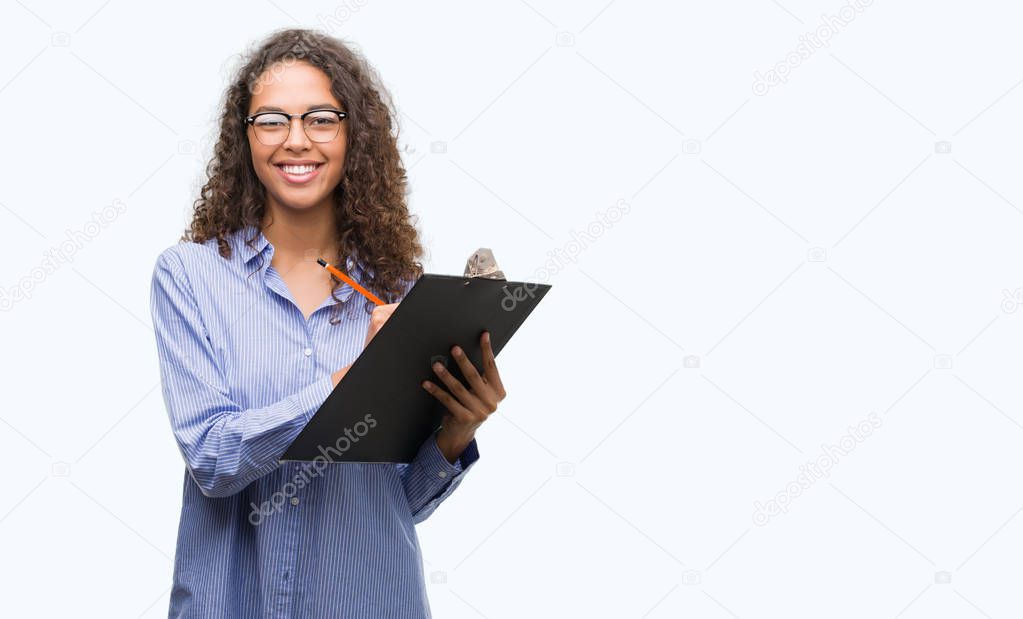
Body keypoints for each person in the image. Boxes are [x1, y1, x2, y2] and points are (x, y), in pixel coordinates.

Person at [149, 27, 506, 618]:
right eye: (271, 120)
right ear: (244, 138)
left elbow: (401, 502)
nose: (296, 141)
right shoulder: (190, 276)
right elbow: (212, 459)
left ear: (352, 136)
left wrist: (456, 431)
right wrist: (348, 382)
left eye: (321, 118)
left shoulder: (399, 294)